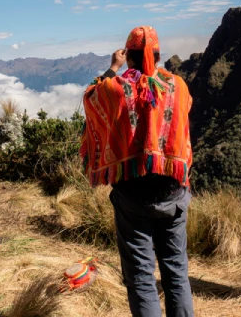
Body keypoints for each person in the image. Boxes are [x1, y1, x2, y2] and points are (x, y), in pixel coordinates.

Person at [81, 26, 194, 317]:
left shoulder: (116, 88)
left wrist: (113, 67)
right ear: (157, 55)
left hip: (133, 194)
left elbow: (91, 97)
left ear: (128, 54)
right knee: (176, 273)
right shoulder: (177, 86)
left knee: (142, 278)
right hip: (172, 189)